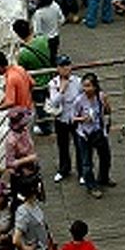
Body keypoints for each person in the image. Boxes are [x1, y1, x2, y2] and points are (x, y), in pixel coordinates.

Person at [72, 73, 113, 198]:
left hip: (99, 131)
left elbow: (107, 112)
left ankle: (103, 178)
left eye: (89, 86)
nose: (86, 89)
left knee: (105, 157)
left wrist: (106, 104)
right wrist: (82, 119)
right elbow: (73, 118)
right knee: (87, 162)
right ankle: (91, 186)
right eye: (84, 86)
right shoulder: (79, 100)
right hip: (84, 134)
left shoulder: (100, 97)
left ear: (95, 86)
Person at [12, 17, 52, 135]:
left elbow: (22, 70)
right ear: (30, 28)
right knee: (50, 100)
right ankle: (51, 117)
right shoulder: (43, 40)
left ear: (18, 34)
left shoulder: (22, 54)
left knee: (40, 106)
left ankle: (45, 128)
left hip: (37, 83)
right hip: (49, 76)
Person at [47, 54, 83, 182]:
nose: (66, 68)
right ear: (58, 68)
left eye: (67, 65)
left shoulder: (78, 81)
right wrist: (61, 90)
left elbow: (82, 99)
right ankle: (64, 169)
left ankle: (82, 172)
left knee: (80, 146)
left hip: (75, 119)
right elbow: (54, 103)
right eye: (62, 66)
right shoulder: (53, 84)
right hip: (61, 119)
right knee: (63, 146)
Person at [0, 50, 34, 117]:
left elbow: (10, 102)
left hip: (21, 115)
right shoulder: (20, 68)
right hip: (30, 109)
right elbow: (32, 83)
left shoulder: (10, 78)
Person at [32, 0, 65, 64]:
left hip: (44, 41)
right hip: (55, 37)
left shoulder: (39, 13)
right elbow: (62, 20)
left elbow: (37, 31)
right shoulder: (55, 5)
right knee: (53, 56)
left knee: (45, 60)